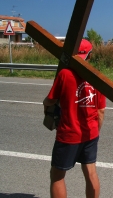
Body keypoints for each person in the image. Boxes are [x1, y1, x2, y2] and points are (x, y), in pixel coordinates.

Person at [43, 39, 106, 198]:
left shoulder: (65, 74)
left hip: (69, 134)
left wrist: (45, 104)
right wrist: (95, 132)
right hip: (90, 133)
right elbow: (101, 111)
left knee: (57, 175)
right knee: (91, 172)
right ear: (89, 56)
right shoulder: (97, 77)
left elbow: (50, 100)